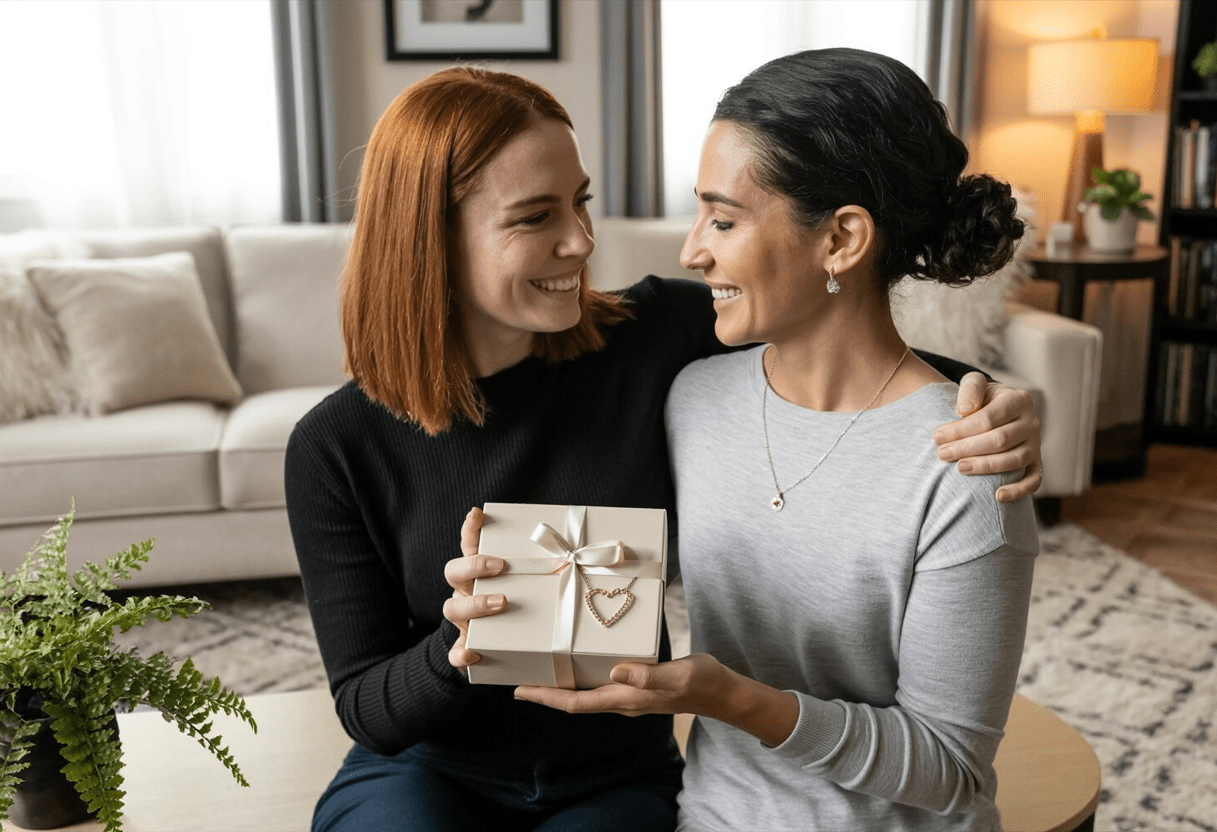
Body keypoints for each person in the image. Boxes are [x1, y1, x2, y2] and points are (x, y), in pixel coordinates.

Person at [287, 65, 1042, 832]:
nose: (581, 242)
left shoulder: (651, 343)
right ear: (430, 239)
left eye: (580, 202)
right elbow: (367, 709)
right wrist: (463, 636)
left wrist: (988, 399)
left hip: (611, 777)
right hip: (425, 767)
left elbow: (836, 344)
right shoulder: (335, 445)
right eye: (535, 216)